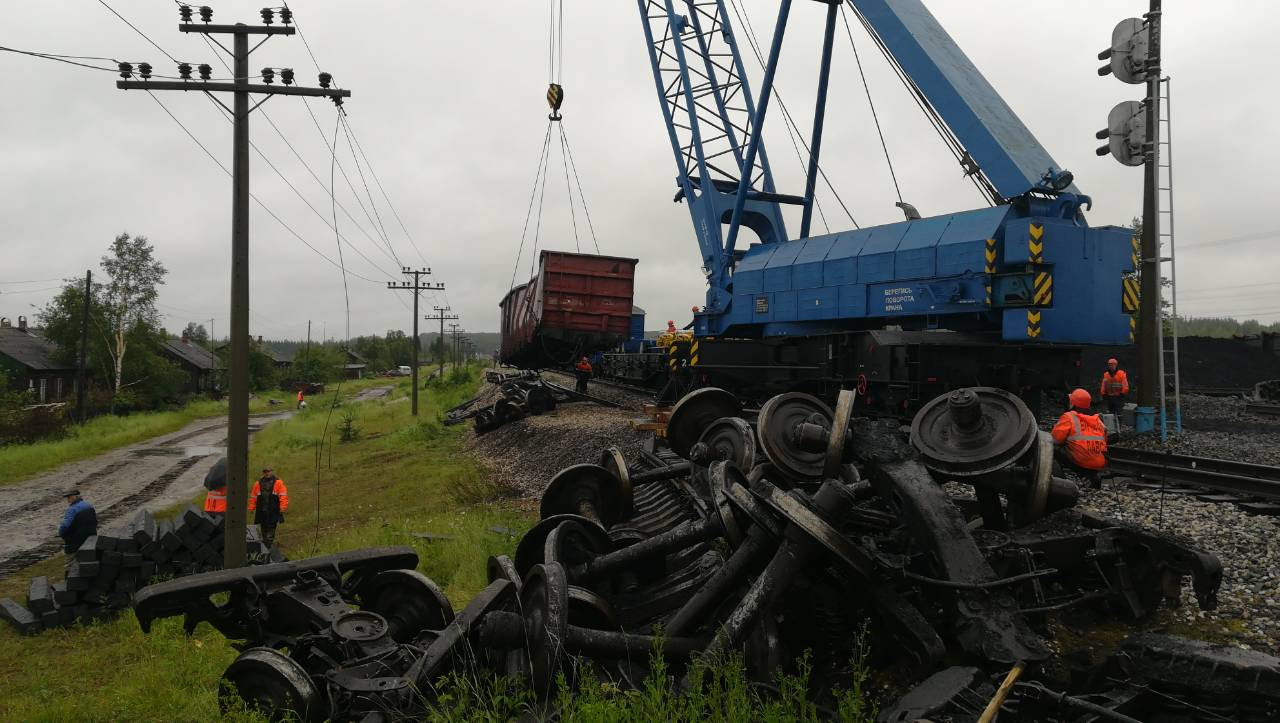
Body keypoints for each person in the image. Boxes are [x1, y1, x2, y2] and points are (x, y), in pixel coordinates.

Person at [1051, 389, 1108, 489]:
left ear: (1073, 403)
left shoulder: (1069, 417)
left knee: (1052, 448)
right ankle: (1090, 477)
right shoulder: (1097, 419)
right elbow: (1105, 441)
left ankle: (1061, 480)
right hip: (1098, 463)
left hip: (1081, 462)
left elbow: (1055, 439)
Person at [248, 467, 289, 549]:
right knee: (263, 527)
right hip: (262, 510)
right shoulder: (258, 483)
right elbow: (253, 497)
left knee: (271, 526)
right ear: (263, 473)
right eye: (265, 472)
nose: (267, 473)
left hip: (273, 509)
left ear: (271, 472)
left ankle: (268, 545)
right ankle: (265, 543)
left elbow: (283, 496)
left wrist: (282, 507)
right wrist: (251, 508)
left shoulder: (278, 482)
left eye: (268, 471)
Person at [58, 489, 97, 555]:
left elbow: (65, 526)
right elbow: (95, 521)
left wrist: (61, 533)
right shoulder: (89, 505)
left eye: (68, 498)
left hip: (76, 540)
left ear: (74, 497)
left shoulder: (72, 510)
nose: (68, 500)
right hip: (92, 534)